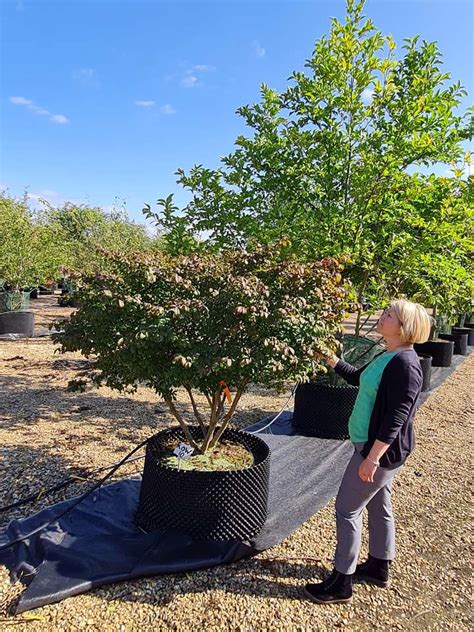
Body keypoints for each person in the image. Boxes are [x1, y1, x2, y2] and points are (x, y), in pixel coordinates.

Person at [304, 299, 432, 604]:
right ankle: (378, 565)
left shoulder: (406, 366)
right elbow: (357, 378)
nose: (382, 316)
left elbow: (396, 419)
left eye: (389, 315)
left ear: (404, 327)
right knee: (378, 504)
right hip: (370, 446)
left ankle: (340, 582)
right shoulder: (387, 355)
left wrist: (372, 458)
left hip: (379, 452)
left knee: (347, 509)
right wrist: (330, 359)